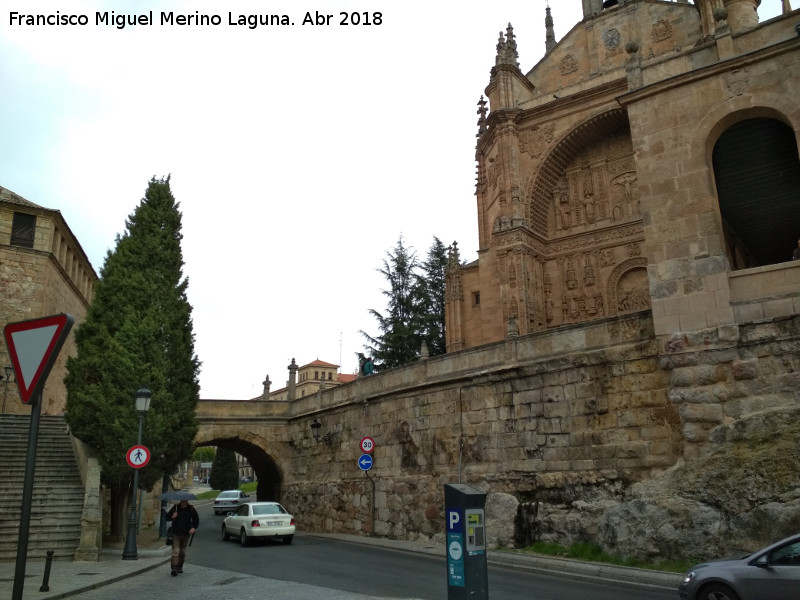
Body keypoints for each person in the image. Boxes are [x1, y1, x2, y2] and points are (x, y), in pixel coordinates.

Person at [166, 499, 199, 576]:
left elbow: (196, 519)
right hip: (175, 533)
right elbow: (167, 517)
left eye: (185, 501)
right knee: (175, 550)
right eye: (182, 501)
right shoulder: (175, 508)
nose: (183, 502)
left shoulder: (191, 508)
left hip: (186, 534)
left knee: (182, 552)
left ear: (187, 501)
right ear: (180, 501)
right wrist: (172, 516)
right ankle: (174, 568)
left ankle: (179, 567)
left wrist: (193, 527)